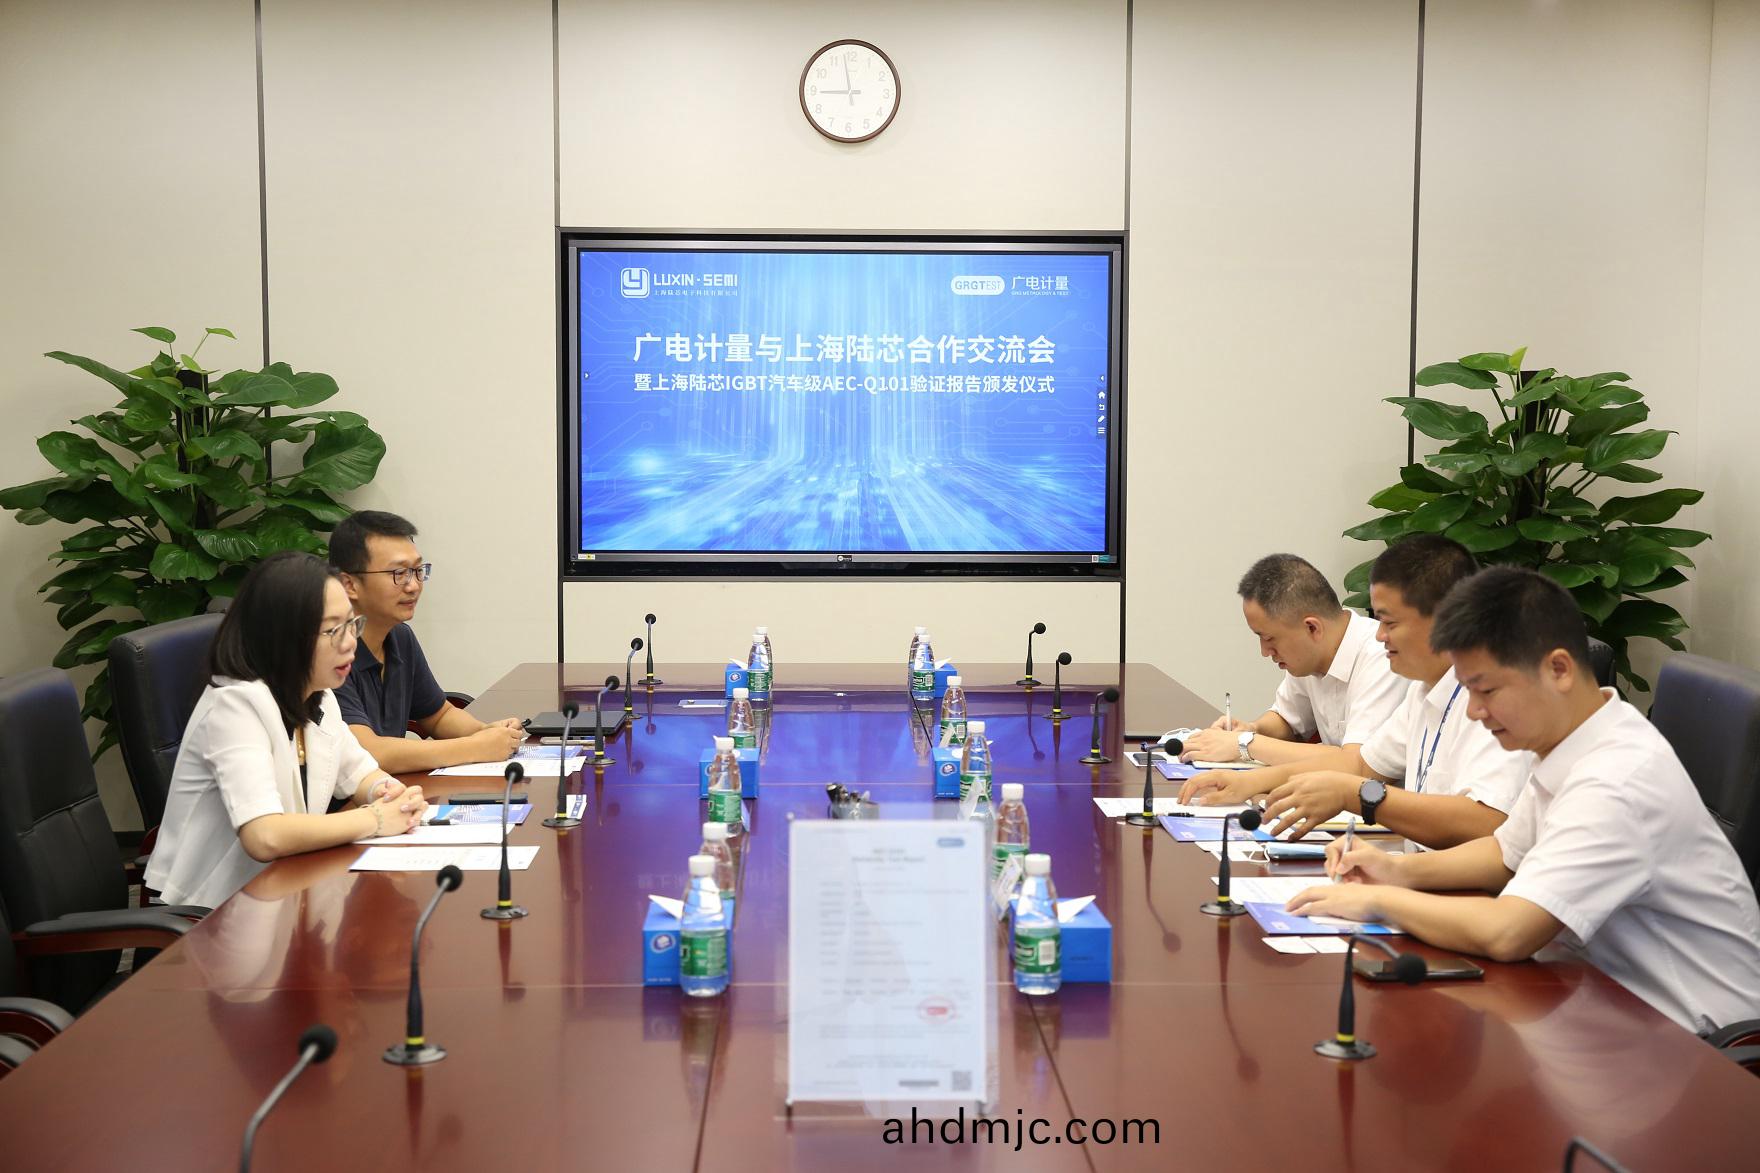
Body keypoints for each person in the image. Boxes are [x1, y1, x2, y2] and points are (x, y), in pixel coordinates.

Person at [1287, 567, 1760, 1034]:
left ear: (1558, 669)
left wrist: (1376, 900)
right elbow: (1504, 854)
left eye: (1487, 689)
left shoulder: (1616, 780)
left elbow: (1508, 932)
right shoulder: (1579, 737)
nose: (1475, 711)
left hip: (1691, 1044)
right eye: (1467, 690)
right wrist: (1396, 870)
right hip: (1601, 1002)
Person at [1178, 535, 1528, 847]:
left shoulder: (1494, 698)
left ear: (1446, 619)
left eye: (1390, 622)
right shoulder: (1424, 690)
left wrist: (1358, 797)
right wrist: (1249, 782)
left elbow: (1489, 822)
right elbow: (1360, 765)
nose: (1380, 635)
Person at [145, 551, 428, 909]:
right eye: (333, 630)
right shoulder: (235, 704)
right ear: (282, 636)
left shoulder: (318, 694)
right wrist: (374, 819)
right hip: (208, 915)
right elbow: (264, 835)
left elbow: (359, 773)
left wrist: (386, 792)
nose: (349, 643)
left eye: (351, 624)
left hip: (285, 893)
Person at [328, 510, 525, 772]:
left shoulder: (400, 637)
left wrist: (486, 731)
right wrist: (476, 747)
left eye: (418, 571)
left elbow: (439, 716)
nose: (413, 586)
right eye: (399, 573)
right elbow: (366, 752)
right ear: (350, 584)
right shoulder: (328, 652)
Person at [1178, 553, 1404, 767]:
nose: (1265, 651)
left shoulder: (1383, 656)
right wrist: (1251, 729)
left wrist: (1244, 745)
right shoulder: (1311, 655)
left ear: (1312, 628)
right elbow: (1287, 721)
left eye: (1269, 638)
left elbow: (1356, 762)